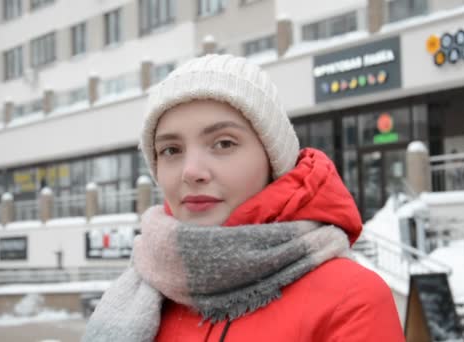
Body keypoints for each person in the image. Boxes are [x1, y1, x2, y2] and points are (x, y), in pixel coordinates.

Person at [83, 54, 404, 342]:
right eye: (171, 150)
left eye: (223, 143)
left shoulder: (349, 299)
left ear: (272, 159)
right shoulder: (141, 290)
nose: (191, 171)